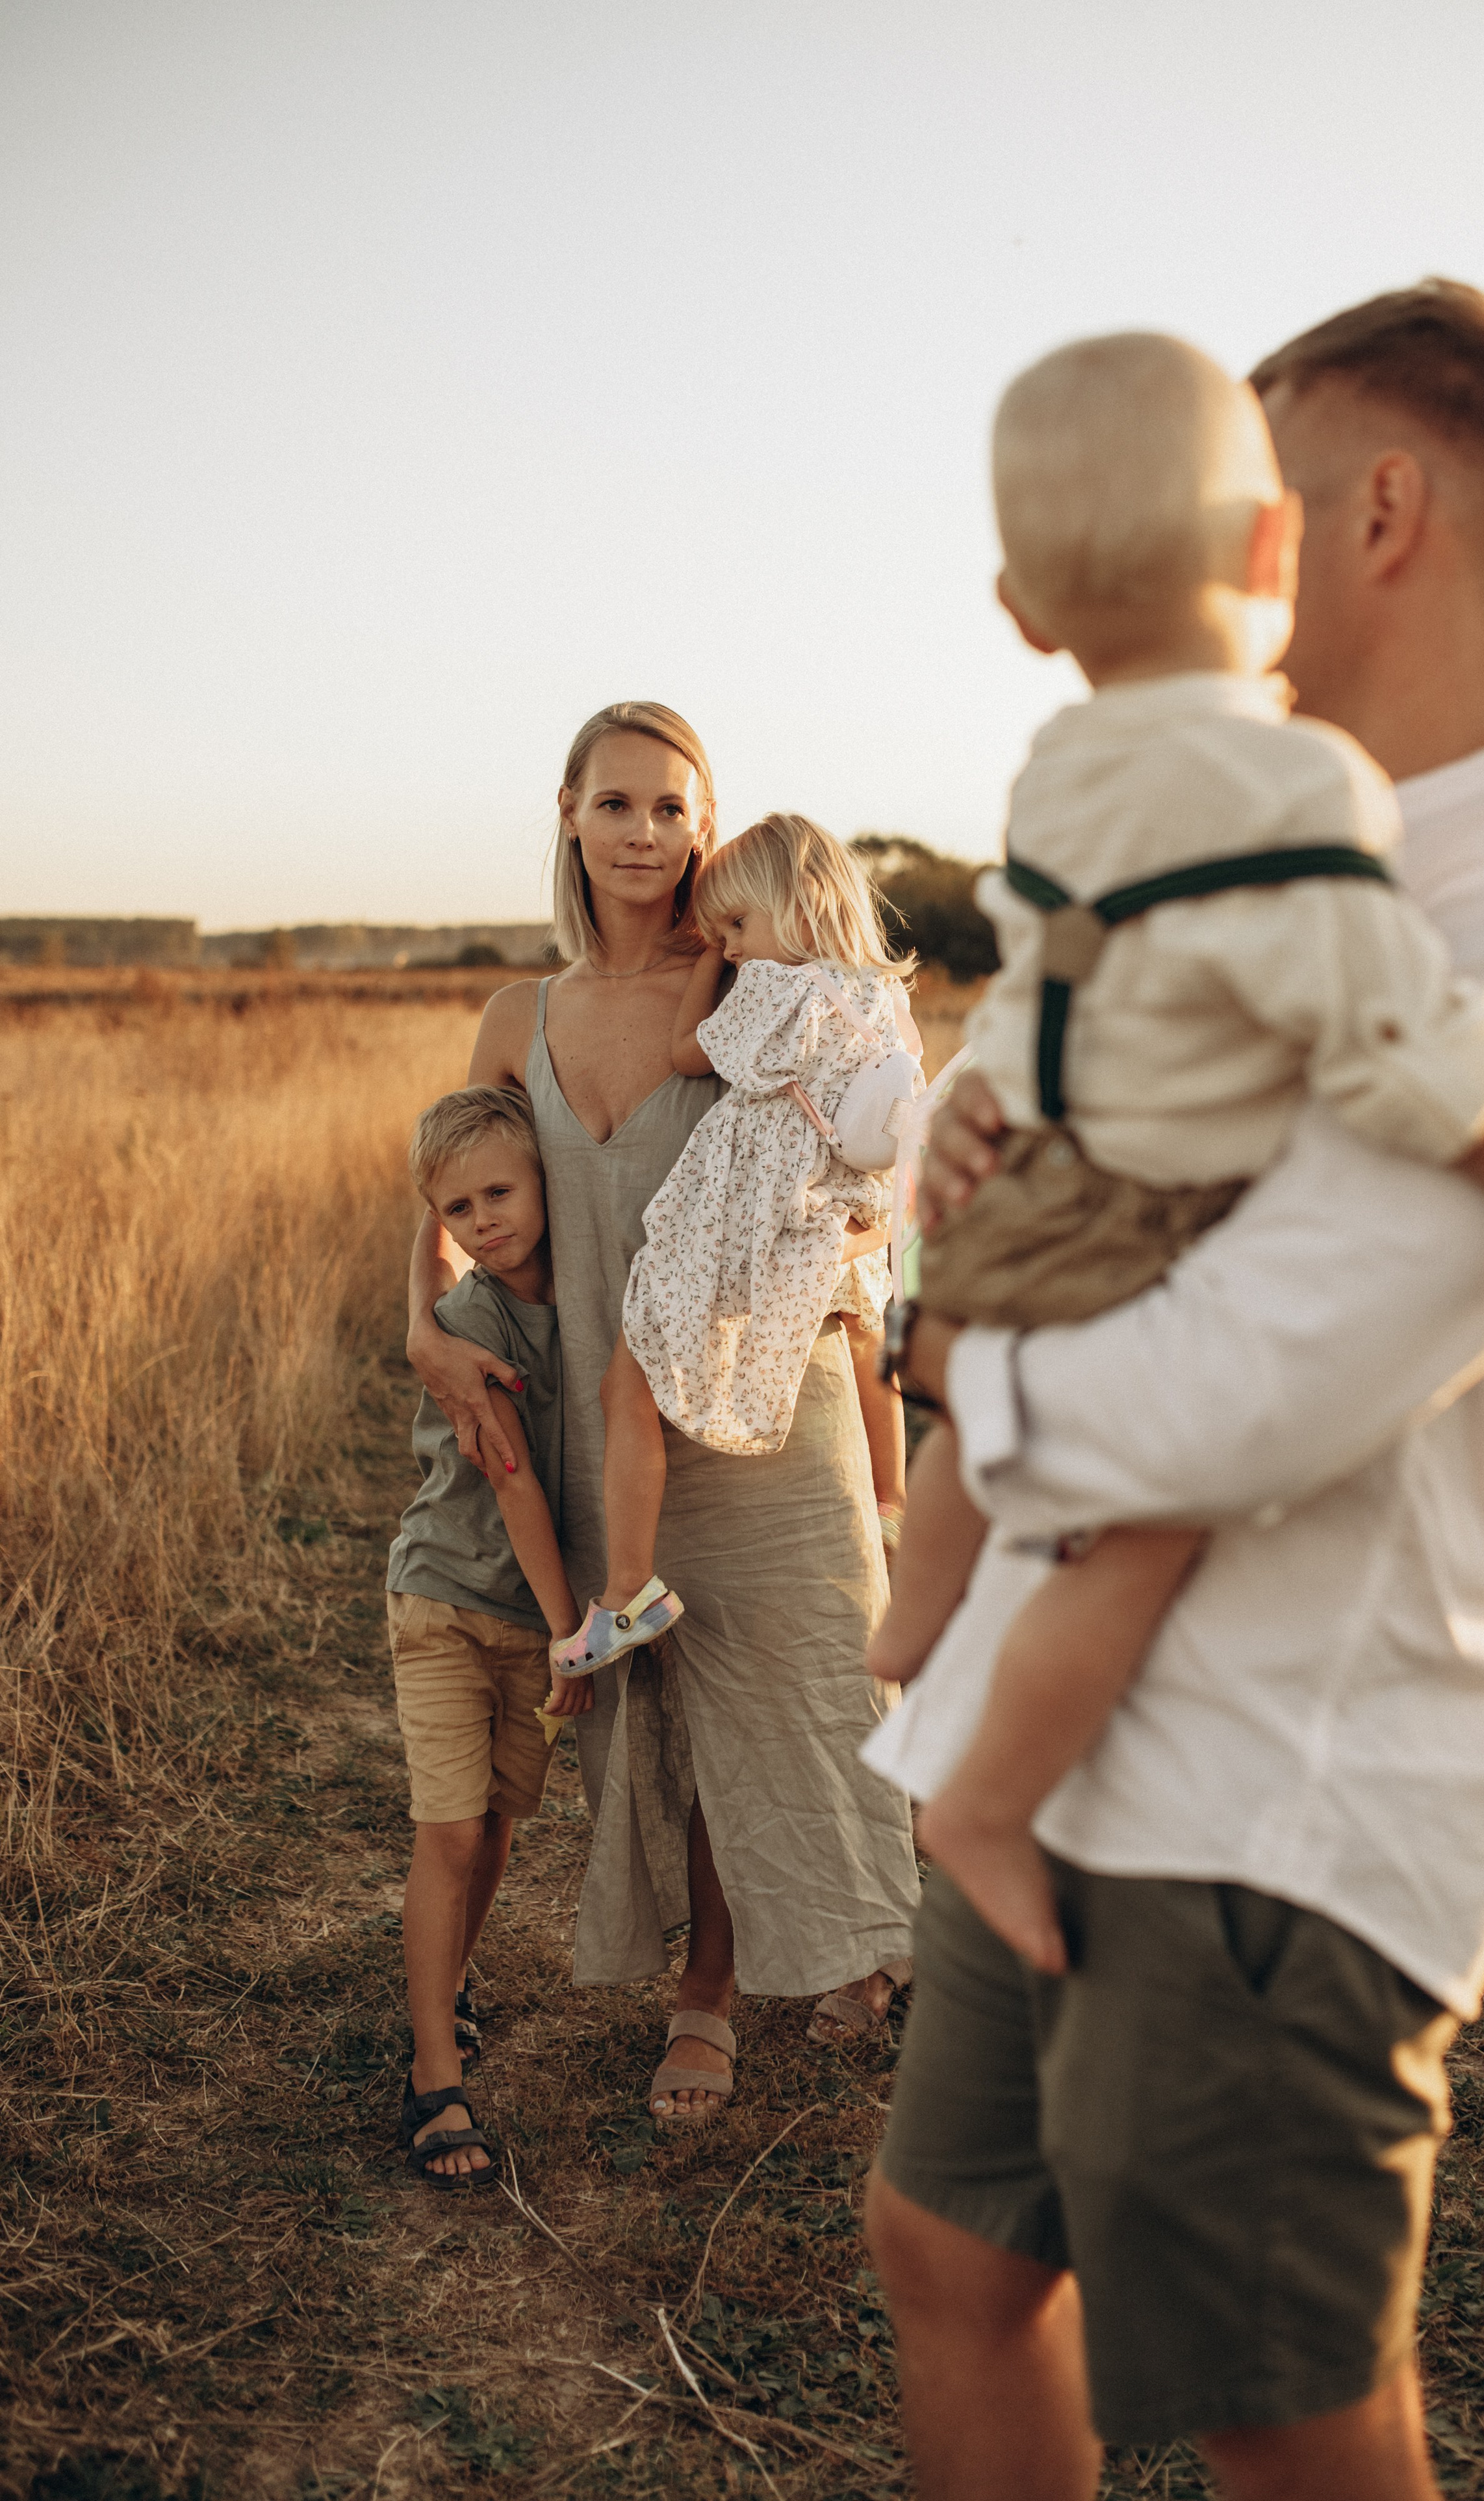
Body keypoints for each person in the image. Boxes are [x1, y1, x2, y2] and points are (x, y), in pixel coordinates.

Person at [863, 281, 1484, 2501]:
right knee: (946, 2247)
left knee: (1274, 2411)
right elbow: (1055, 1085)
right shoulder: (1259, 824)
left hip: (1275, 1795)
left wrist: (945, 1362)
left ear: (1372, 507)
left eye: (1245, 490)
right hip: (1078, 1720)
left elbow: (1248, 1388)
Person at [407, 703, 919, 2124]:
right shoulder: (520, 1014)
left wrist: (860, 1282)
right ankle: (723, 1975)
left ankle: (739, 1991)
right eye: (617, 804)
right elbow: (447, 1178)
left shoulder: (754, 985)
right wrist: (420, 1319)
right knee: (668, 1713)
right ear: (567, 813)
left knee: (804, 1682)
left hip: (772, 1400)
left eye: (672, 809)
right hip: (608, 1411)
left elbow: (856, 1155)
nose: (646, 834)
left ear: (707, 827)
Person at [550, 810, 917, 1674]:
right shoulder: (880, 998)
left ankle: (627, 1591)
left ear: (799, 906)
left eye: (738, 926)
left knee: (627, 1381)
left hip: (740, 1219)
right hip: (833, 1215)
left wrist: (709, 963)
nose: (732, 945)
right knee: (868, 1337)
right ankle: (893, 1498)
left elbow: (684, 1054)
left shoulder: (770, 989)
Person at [385, 1086, 583, 2186]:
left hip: (528, 1617)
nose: (484, 1221)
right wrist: (571, 1633)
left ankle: (447, 1984)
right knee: (450, 1831)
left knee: (501, 1825)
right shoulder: (469, 1326)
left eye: (500, 1193)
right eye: (459, 1209)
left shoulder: (589, 1294)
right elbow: (510, 1486)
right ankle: (430, 2074)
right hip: (451, 1600)